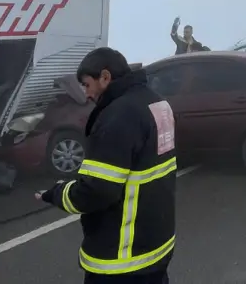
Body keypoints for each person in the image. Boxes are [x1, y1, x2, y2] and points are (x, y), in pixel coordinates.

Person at [36, 47, 176, 283]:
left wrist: (57, 193)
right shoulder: (157, 103)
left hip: (122, 258)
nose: (86, 94)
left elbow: (97, 190)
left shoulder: (119, 115)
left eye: (87, 84)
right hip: (156, 245)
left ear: (105, 77)